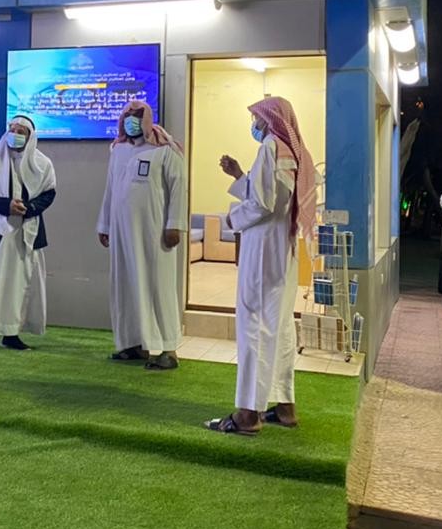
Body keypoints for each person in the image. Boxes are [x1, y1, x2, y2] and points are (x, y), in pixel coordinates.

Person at [206, 96, 317, 436]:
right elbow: (271, 195)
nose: (254, 124)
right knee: (279, 326)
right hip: (282, 249)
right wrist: (240, 175)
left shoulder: (270, 147)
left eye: (256, 118)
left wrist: (232, 216)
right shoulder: (292, 151)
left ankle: (247, 414)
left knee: (253, 324)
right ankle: (284, 407)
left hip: (263, 250)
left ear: (269, 120)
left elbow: (263, 204)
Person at [97, 100, 188, 370]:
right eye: (127, 115)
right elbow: (111, 189)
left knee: (157, 286)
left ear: (147, 119)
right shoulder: (118, 149)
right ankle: (133, 344)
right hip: (121, 231)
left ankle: (169, 349)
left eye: (136, 115)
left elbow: (179, 189)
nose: (130, 120)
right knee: (124, 285)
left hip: (154, 233)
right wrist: (104, 225)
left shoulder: (165, 150)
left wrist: (174, 225)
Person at [0, 115, 56, 353]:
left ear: (30, 137)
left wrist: (30, 208)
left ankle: (11, 333)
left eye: (21, 131)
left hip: (27, 233)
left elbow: (48, 193)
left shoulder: (42, 163)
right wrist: (5, 206)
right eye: (12, 129)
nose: (15, 134)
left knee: (19, 284)